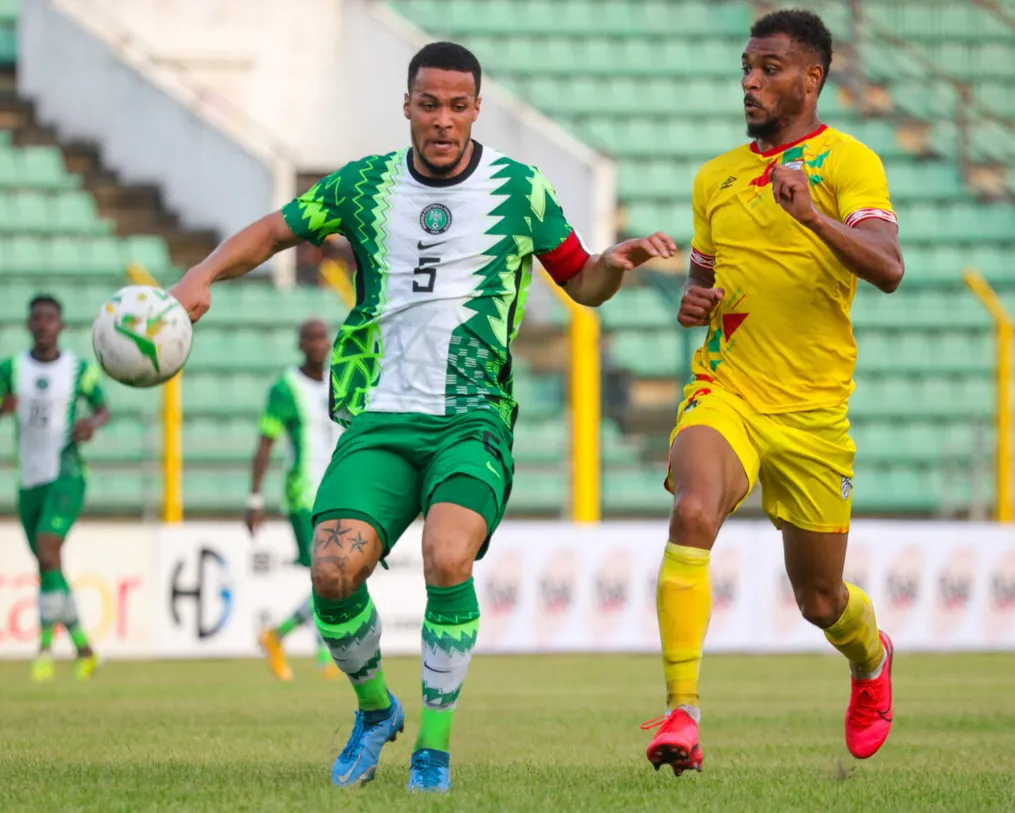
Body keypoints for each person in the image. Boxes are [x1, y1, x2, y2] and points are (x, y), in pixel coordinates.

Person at [170, 41, 675, 793]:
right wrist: (201, 274)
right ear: (407, 105)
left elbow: (583, 285)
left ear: (477, 108)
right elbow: (276, 229)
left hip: (472, 419)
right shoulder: (364, 183)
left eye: (458, 105)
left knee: (447, 556)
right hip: (379, 417)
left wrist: (614, 262)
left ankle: (432, 750)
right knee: (332, 570)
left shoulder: (520, 189)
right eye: (429, 104)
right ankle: (375, 710)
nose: (443, 119)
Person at [645, 10, 904, 774]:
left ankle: (870, 656)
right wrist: (695, 301)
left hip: (814, 411)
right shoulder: (714, 177)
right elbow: (704, 282)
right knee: (692, 510)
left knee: (821, 601)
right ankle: (681, 714)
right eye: (747, 68)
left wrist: (814, 216)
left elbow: (888, 267)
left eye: (769, 68)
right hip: (727, 390)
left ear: (811, 77)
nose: (751, 82)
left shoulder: (848, 162)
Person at [0, 295, 110, 682]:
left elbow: (103, 407)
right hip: (29, 479)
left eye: (50, 318)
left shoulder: (79, 369)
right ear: (29, 325)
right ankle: (82, 645)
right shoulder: (11, 368)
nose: (44, 324)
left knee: (47, 549)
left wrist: (91, 425)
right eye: (37, 319)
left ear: (61, 326)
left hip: (66, 475)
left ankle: (44, 649)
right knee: (49, 566)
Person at [246, 318, 343, 682]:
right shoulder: (285, 388)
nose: (318, 344)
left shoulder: (340, 381)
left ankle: (288, 640)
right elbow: (265, 443)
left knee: (337, 577)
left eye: (322, 338)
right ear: (300, 345)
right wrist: (255, 498)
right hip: (303, 495)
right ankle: (314, 650)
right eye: (311, 339)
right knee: (329, 576)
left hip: (337, 492)